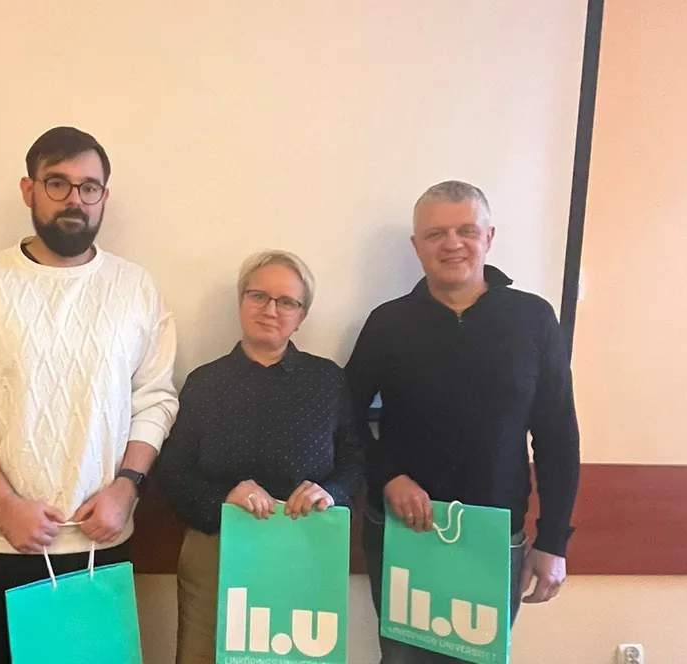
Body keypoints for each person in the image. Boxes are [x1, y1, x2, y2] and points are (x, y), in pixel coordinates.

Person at [0, 126, 180, 664]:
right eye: (56, 183)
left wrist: (125, 490)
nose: (73, 200)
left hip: (99, 544)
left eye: (88, 187)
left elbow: (155, 399)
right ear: (27, 189)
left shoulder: (135, 288)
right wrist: (5, 505)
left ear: (104, 196)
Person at [344, 180, 581, 663]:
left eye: (466, 230)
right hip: (403, 532)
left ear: (489, 236)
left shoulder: (533, 319)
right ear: (417, 246)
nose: (452, 243)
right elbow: (343, 418)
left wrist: (553, 540)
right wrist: (387, 477)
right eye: (435, 234)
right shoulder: (387, 322)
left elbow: (558, 436)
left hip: (494, 538)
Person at [154, 250, 364, 664]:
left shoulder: (327, 381)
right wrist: (224, 497)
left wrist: (331, 492)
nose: (271, 310)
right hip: (217, 551)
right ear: (240, 302)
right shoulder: (205, 382)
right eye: (258, 296)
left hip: (304, 551)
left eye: (287, 301)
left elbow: (356, 459)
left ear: (302, 315)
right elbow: (173, 472)